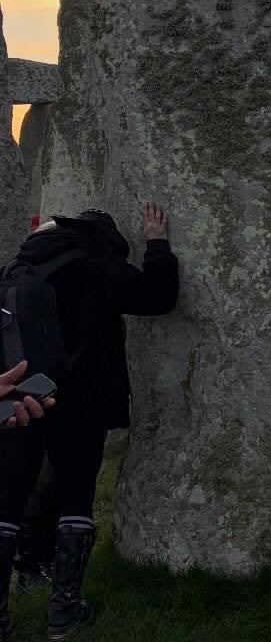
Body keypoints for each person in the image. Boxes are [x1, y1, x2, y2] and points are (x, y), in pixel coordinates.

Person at [0, 204, 179, 640]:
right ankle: (64, 612)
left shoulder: (17, 269)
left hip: (21, 400)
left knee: (7, 502)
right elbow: (159, 298)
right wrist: (157, 244)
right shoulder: (97, 265)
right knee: (78, 497)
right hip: (81, 401)